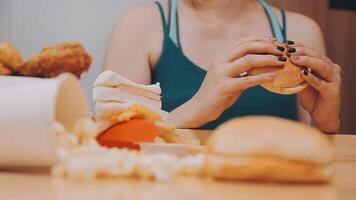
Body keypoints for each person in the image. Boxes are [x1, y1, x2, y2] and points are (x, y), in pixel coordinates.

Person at [104, 0, 341, 132]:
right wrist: (195, 109)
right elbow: (110, 145)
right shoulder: (139, 25)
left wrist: (326, 124)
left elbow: (313, 163)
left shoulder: (302, 31)